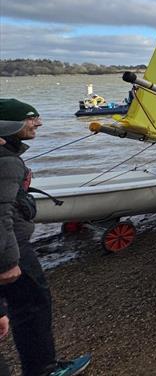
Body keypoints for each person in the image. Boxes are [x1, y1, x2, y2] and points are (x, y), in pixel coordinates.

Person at [0, 100, 92, 376]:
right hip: (12, 250)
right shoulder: (7, 161)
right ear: (9, 124)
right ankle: (44, 369)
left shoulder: (6, 155)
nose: (38, 123)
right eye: (31, 118)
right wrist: (8, 262)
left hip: (10, 245)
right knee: (33, 306)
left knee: (19, 309)